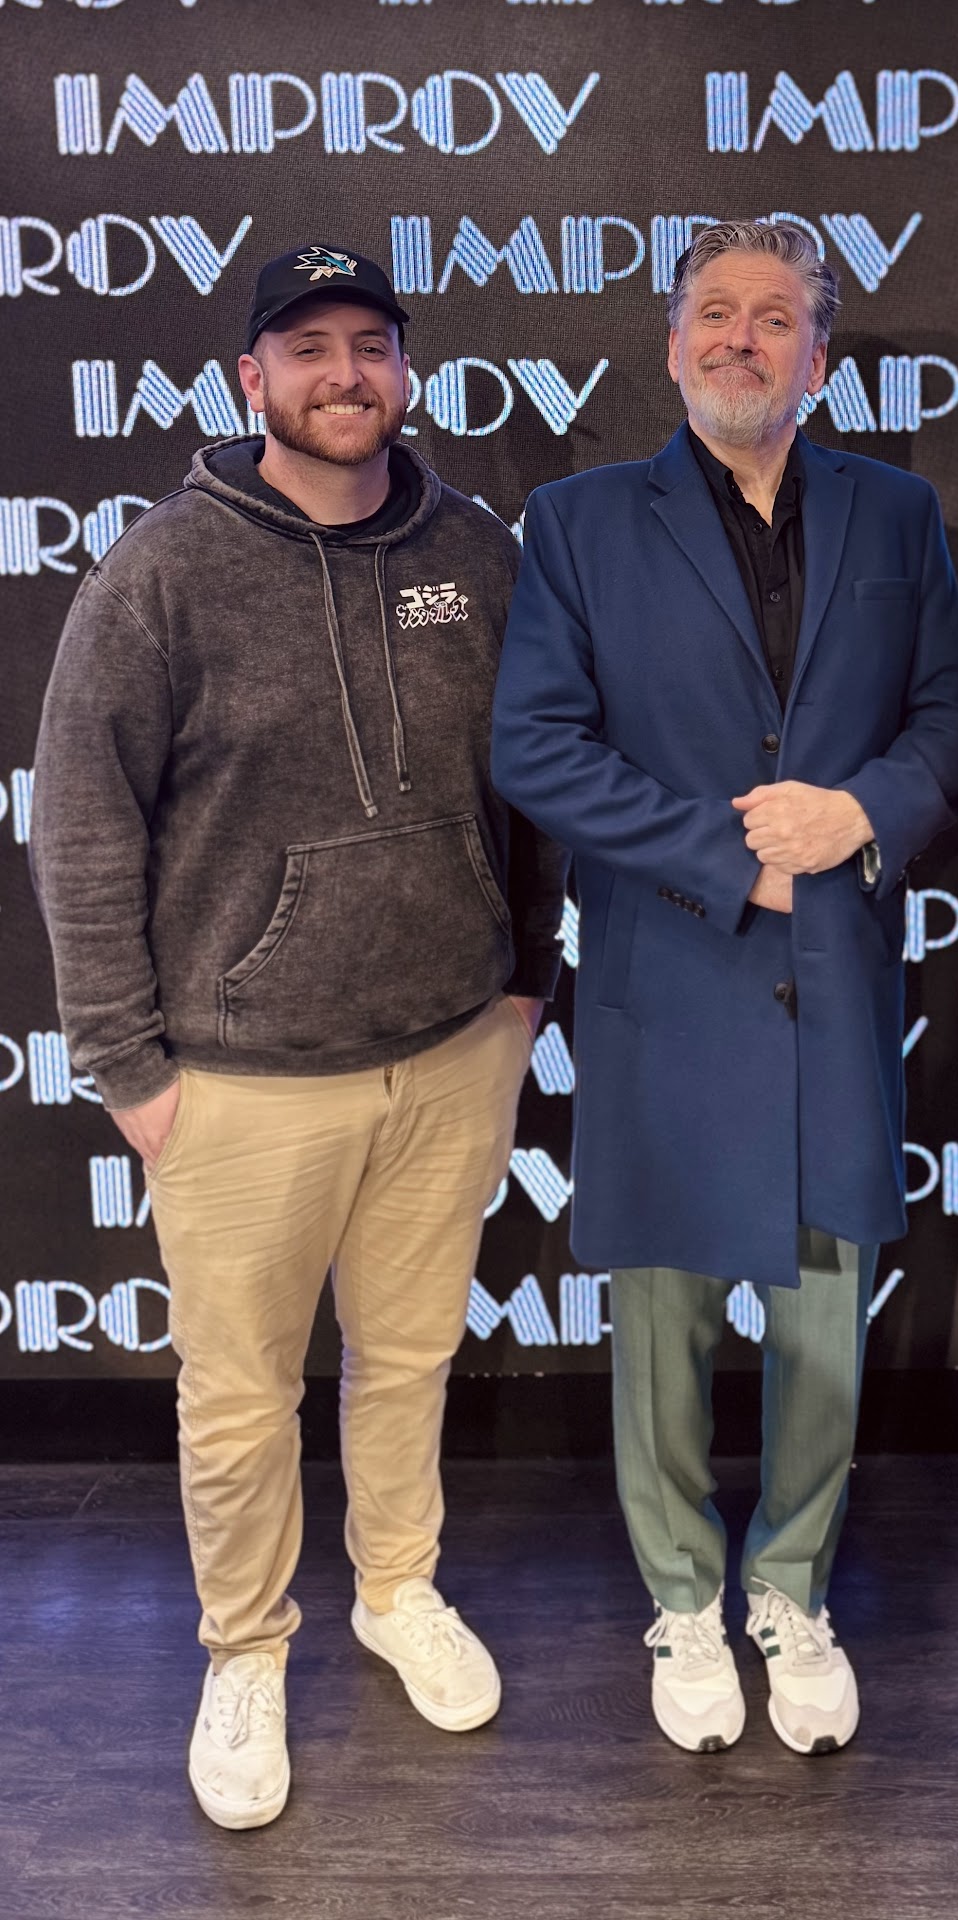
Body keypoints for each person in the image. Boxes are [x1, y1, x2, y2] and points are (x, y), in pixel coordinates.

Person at [30, 244, 567, 1830]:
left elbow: (532, 779)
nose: (347, 374)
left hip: (451, 1049)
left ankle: (397, 1589)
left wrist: (527, 982)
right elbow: (81, 826)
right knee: (241, 1398)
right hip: (241, 1078)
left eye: (372, 345)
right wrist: (127, 1066)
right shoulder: (161, 574)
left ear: (405, 369)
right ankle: (246, 1650)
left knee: (407, 1360)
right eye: (311, 347)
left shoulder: (474, 548)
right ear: (251, 377)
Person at [492, 220, 958, 1756]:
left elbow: (944, 717)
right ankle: (684, 1598)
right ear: (672, 342)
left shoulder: (897, 513)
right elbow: (536, 746)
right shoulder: (577, 523)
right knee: (663, 1326)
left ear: (818, 355)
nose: (741, 339)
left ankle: (792, 1588)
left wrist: (862, 816)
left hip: (834, 977)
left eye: (775, 317)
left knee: (825, 1323)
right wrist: (731, 856)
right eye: (716, 312)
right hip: (673, 976)